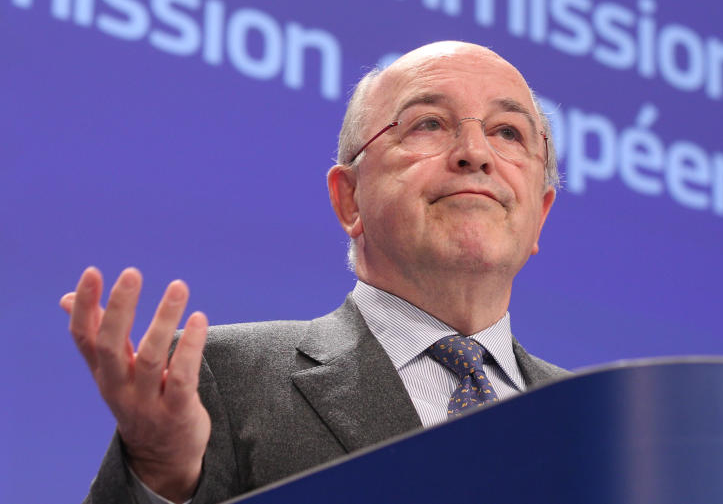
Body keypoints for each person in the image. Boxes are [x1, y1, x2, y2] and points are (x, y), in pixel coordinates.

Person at [60, 41, 567, 504]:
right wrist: (159, 476)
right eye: (428, 123)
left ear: (540, 214)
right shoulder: (219, 379)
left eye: (508, 132)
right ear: (350, 200)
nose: (475, 154)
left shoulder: (599, 419)